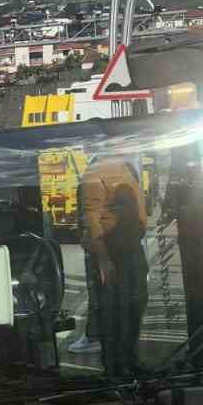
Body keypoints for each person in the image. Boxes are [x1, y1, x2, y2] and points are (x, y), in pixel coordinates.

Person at [78, 153, 149, 382]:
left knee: (134, 307)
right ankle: (115, 371)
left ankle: (130, 360)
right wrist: (103, 260)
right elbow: (91, 219)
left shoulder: (126, 166)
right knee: (113, 315)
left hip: (132, 250)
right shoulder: (95, 173)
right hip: (111, 254)